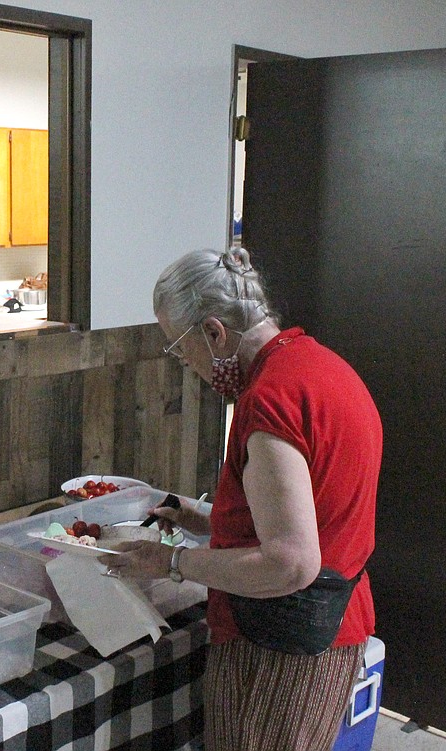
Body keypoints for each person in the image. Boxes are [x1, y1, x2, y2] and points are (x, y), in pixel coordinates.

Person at [104, 247, 382, 751]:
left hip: (284, 646)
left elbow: (290, 563)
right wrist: (203, 518)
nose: (187, 366)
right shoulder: (322, 366)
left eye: (180, 349)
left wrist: (172, 561)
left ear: (214, 333)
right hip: (334, 624)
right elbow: (310, 511)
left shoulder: (270, 402)